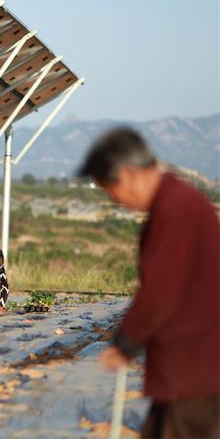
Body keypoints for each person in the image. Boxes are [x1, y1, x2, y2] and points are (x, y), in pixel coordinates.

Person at [78, 128, 219, 438]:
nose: (114, 199)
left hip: (194, 367)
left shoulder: (175, 209)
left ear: (128, 175)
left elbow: (161, 289)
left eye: (109, 189)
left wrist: (127, 342)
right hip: (189, 368)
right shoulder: (178, 201)